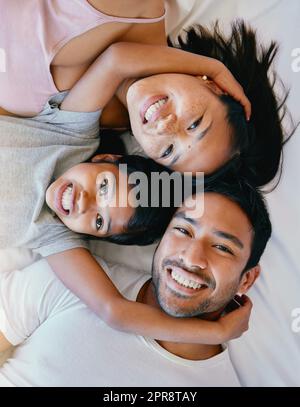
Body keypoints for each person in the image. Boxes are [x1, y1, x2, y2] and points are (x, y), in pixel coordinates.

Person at [0, 176, 272, 386]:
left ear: (246, 280)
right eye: (182, 230)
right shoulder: (71, 281)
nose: (191, 257)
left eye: (222, 248)